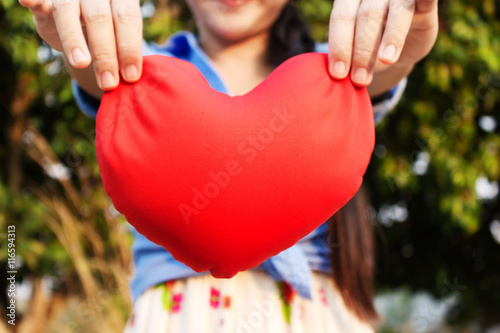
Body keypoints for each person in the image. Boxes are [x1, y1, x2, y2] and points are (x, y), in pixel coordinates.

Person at [20, 0, 439, 331]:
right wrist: (80, 30)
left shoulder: (336, 67)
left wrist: (396, 45)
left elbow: (376, 68)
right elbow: (102, 65)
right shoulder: (136, 66)